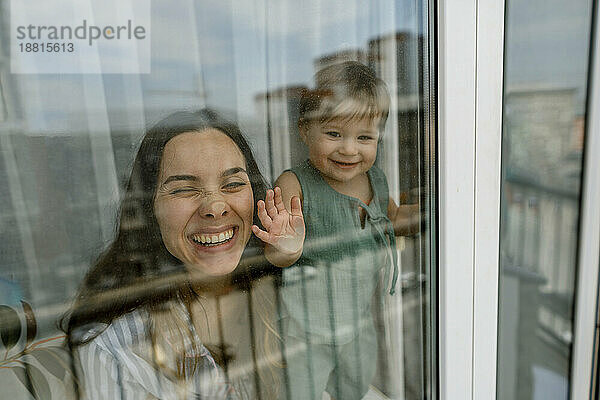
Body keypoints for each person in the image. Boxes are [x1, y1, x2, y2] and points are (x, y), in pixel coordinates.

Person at [64, 109, 283, 400]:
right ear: (149, 210)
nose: (214, 207)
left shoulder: (291, 295)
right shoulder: (114, 350)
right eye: (183, 189)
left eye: (233, 184)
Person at [251, 61, 420, 400]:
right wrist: (286, 245)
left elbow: (395, 218)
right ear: (304, 131)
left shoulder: (377, 180)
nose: (349, 148)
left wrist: (439, 211)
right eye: (333, 134)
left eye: (364, 137)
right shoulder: (295, 184)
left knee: (355, 388)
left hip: (357, 323)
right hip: (305, 333)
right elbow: (279, 258)